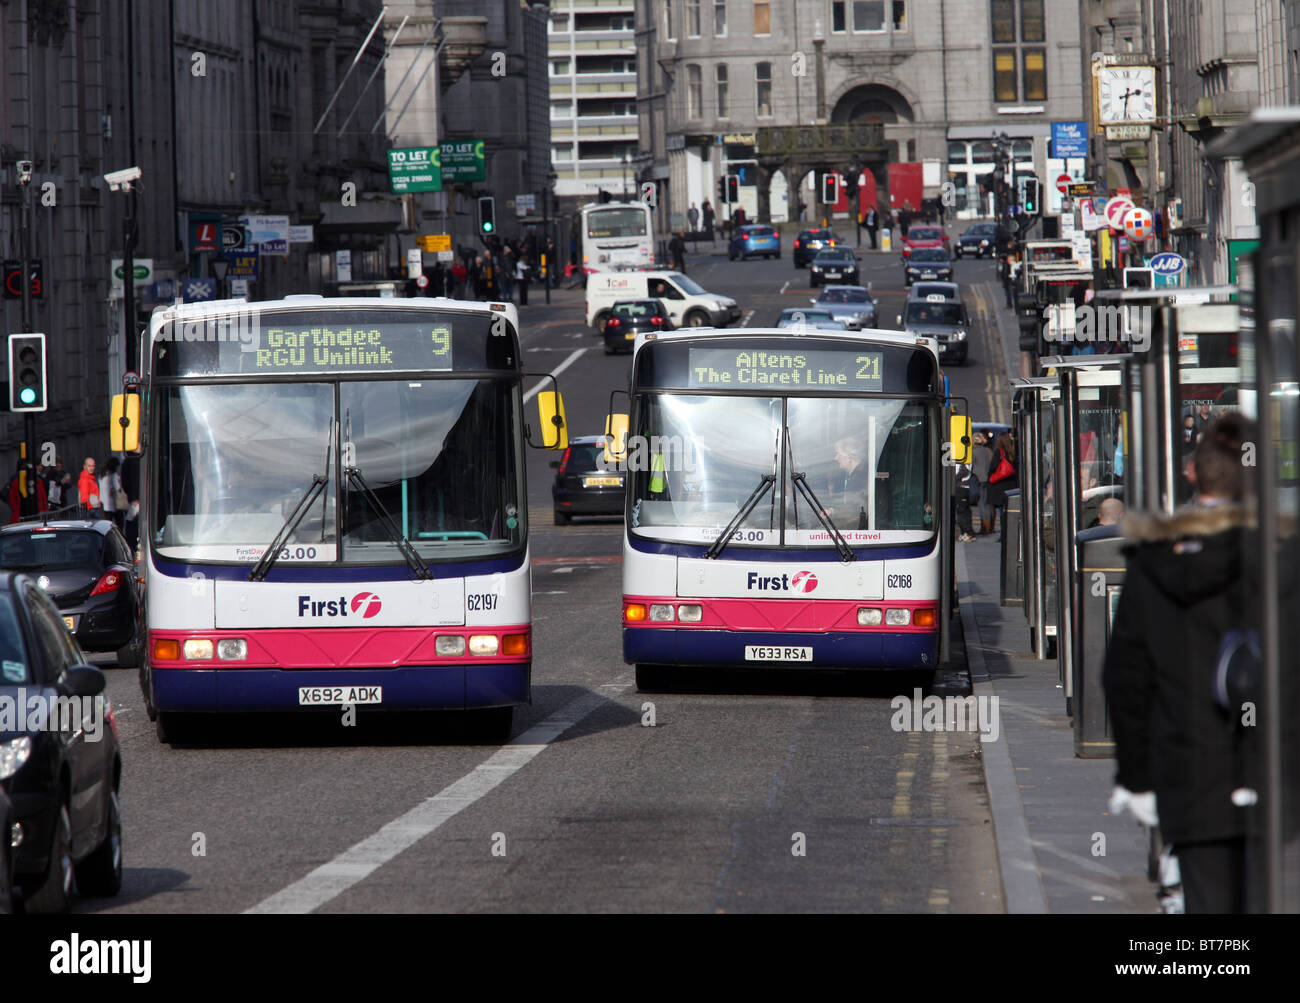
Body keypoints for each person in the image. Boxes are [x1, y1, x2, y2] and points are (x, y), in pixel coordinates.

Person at [1103, 414, 1263, 913]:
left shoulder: (1154, 563)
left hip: (1189, 774)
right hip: (1270, 771)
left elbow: (1125, 677)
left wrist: (1137, 778)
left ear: (1193, 475)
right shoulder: (1277, 555)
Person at [984, 432, 1018, 535]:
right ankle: (1007, 531)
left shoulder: (998, 452)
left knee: (995, 508)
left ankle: (993, 529)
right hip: (1009, 484)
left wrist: (990, 477)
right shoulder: (1012, 452)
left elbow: (993, 468)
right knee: (1006, 510)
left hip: (997, 485)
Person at [971, 430, 994, 535]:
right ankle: (988, 526)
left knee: (981, 505)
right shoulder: (986, 451)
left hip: (978, 479)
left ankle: (985, 527)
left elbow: (970, 465)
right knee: (985, 503)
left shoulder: (974, 452)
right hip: (986, 479)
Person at [99, 456, 124, 528]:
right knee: (119, 524)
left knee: (106, 526)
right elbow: (118, 488)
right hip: (113, 504)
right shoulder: (114, 475)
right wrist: (120, 482)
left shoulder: (102, 474)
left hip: (103, 503)